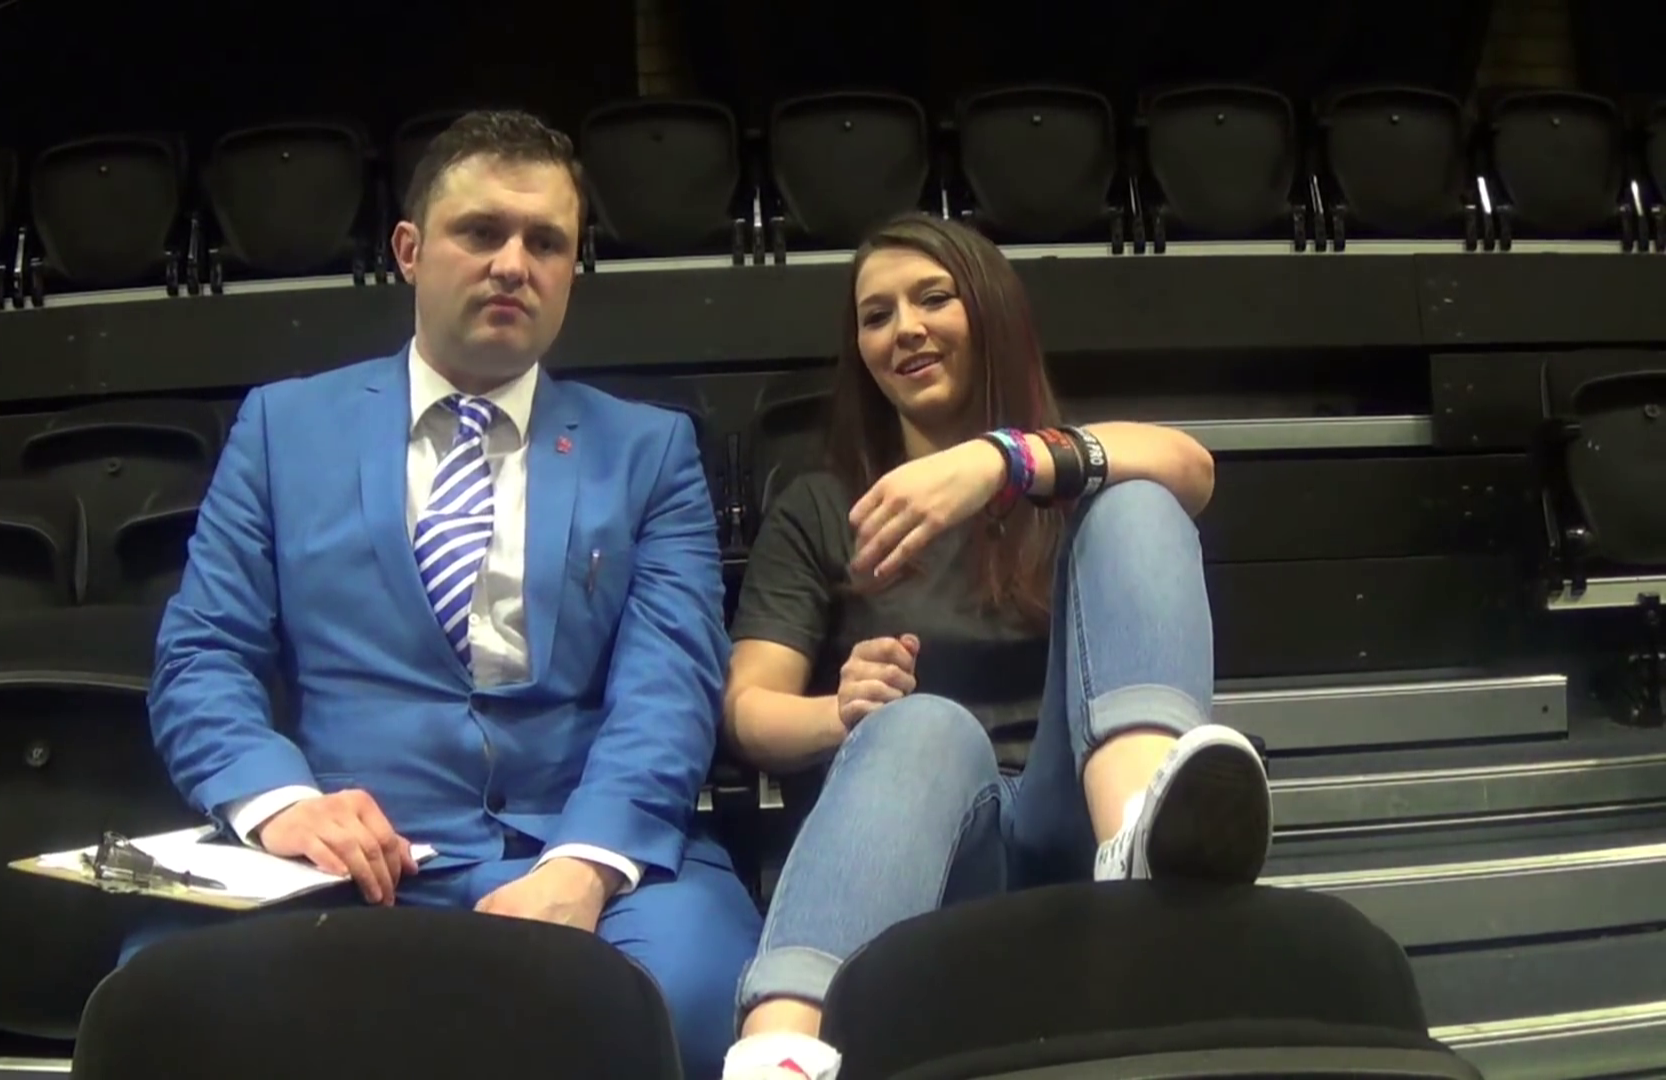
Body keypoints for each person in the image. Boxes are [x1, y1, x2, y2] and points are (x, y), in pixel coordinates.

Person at [137, 110, 761, 1079]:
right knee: (162, 998)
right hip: (346, 861)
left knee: (683, 1002)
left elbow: (669, 688)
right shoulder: (281, 429)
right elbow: (201, 656)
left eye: (545, 242)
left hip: (587, 850)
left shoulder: (650, 451)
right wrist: (284, 805)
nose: (514, 264)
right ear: (409, 250)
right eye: (481, 233)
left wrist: (586, 867)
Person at [716, 213, 1274, 1080]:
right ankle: (778, 1054)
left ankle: (1140, 832)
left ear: (990, 313)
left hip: (1071, 821)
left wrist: (996, 462)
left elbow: (1190, 467)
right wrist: (839, 712)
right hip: (928, 836)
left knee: (1138, 497)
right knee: (925, 724)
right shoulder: (823, 506)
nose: (904, 329)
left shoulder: (1060, 473)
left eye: (933, 299)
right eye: (876, 315)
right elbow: (749, 710)